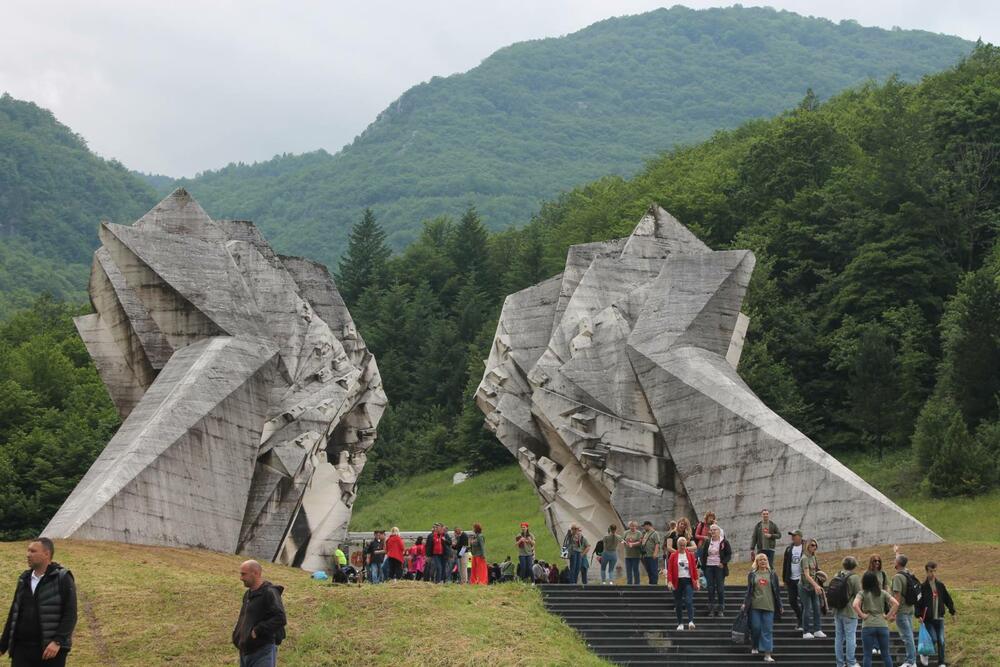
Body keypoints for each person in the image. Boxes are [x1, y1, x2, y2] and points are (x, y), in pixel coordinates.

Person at [0, 538, 77, 667]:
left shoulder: (62, 578)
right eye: (28, 551)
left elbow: (70, 614)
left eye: (33, 551)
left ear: (46, 554)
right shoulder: (24, 579)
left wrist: (57, 641)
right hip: (21, 650)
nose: (28, 555)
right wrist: (3, 645)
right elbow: (14, 614)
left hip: (49, 652)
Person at [232, 560, 286, 667]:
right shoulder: (248, 594)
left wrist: (257, 630)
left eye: (244, 574)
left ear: (256, 573)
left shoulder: (269, 593)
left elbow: (280, 618)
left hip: (262, 651)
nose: (241, 578)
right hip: (245, 651)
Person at [852, 571, 899, 667]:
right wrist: (888, 616)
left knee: (867, 655)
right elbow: (896, 603)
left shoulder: (862, 593)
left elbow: (855, 605)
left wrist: (862, 615)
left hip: (868, 625)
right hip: (882, 625)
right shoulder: (883, 592)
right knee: (885, 654)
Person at [742, 552, 782, 663]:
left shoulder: (772, 574)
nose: (763, 561)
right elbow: (749, 591)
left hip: (769, 606)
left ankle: (767, 654)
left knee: (767, 630)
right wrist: (745, 603)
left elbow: (777, 591)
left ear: (767, 561)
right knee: (756, 628)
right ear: (757, 562)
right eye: (760, 560)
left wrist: (780, 605)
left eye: (764, 559)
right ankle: (755, 645)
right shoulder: (752, 574)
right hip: (755, 606)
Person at [915, 561, 955, 667]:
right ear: (926, 571)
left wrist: (952, 612)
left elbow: (947, 599)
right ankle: (924, 654)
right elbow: (918, 603)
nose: (932, 573)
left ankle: (941, 662)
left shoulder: (940, 585)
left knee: (941, 641)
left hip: (940, 618)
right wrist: (918, 615)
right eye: (930, 571)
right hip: (928, 619)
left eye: (934, 571)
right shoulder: (923, 587)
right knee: (933, 638)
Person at [834, 556, 863, 667]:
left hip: (837, 611)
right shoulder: (854, 577)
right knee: (850, 637)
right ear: (854, 565)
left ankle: (840, 663)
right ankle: (851, 662)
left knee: (838, 638)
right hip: (850, 611)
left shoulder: (837, 574)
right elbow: (859, 594)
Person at [889, 547, 916, 667]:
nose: (893, 562)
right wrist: (897, 553)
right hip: (910, 609)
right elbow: (901, 561)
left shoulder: (897, 577)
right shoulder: (907, 572)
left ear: (898, 564)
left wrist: (893, 613)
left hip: (902, 611)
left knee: (907, 636)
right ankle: (911, 660)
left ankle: (911, 661)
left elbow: (897, 597)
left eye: (895, 561)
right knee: (909, 635)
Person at [696, 524, 731, 616]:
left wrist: (723, 563)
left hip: (719, 567)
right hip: (709, 567)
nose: (713, 531)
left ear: (719, 531)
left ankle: (721, 609)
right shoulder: (707, 541)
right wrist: (703, 566)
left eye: (715, 530)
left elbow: (728, 554)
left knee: (720, 589)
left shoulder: (724, 542)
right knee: (710, 588)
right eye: (711, 530)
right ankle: (711, 609)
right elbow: (703, 554)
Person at [667, 537, 700, 631]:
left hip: (688, 581)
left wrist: (697, 581)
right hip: (677, 581)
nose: (682, 547)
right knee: (678, 603)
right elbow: (670, 570)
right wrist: (669, 581)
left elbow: (694, 569)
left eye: (684, 545)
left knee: (689, 600)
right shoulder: (673, 555)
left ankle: (691, 621)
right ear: (677, 545)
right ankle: (680, 623)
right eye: (680, 545)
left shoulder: (690, 555)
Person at [800, 538, 826, 639]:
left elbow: (816, 570)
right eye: (812, 545)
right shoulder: (804, 558)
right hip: (805, 587)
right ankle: (806, 631)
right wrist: (816, 585)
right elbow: (807, 575)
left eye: (815, 545)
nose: (814, 547)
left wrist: (821, 577)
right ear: (807, 546)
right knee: (807, 608)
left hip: (813, 586)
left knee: (817, 607)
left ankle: (817, 629)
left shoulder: (814, 557)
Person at [781, 529, 806, 631]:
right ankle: (800, 617)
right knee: (792, 601)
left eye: (794, 535)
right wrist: (784, 579)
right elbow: (785, 564)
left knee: (803, 601)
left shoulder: (806, 547)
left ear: (800, 537)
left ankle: (802, 622)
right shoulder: (789, 549)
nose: (792, 537)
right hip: (791, 579)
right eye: (792, 536)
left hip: (802, 579)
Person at [639, 521, 661, 585]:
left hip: (652, 555)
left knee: (653, 571)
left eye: (644, 526)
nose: (643, 527)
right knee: (649, 571)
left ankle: (654, 585)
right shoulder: (645, 533)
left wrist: (655, 553)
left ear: (648, 525)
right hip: (646, 555)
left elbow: (657, 543)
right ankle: (651, 585)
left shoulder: (655, 533)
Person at [623, 521, 643, 586]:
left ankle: (637, 584)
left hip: (636, 555)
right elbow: (622, 541)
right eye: (631, 526)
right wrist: (626, 543)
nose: (632, 527)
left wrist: (633, 544)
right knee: (628, 570)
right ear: (629, 526)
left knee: (635, 569)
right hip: (627, 555)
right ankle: (629, 584)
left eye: (634, 526)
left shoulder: (639, 533)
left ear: (636, 526)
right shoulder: (626, 533)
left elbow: (640, 542)